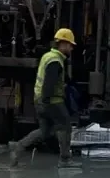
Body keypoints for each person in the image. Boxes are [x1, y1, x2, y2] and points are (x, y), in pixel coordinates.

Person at [9, 28, 80, 168]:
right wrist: (47, 101)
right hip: (51, 100)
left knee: (45, 131)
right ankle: (65, 160)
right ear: (63, 44)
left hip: (40, 100)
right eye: (70, 45)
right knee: (65, 126)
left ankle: (18, 147)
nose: (72, 48)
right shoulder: (55, 61)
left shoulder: (48, 56)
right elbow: (49, 82)